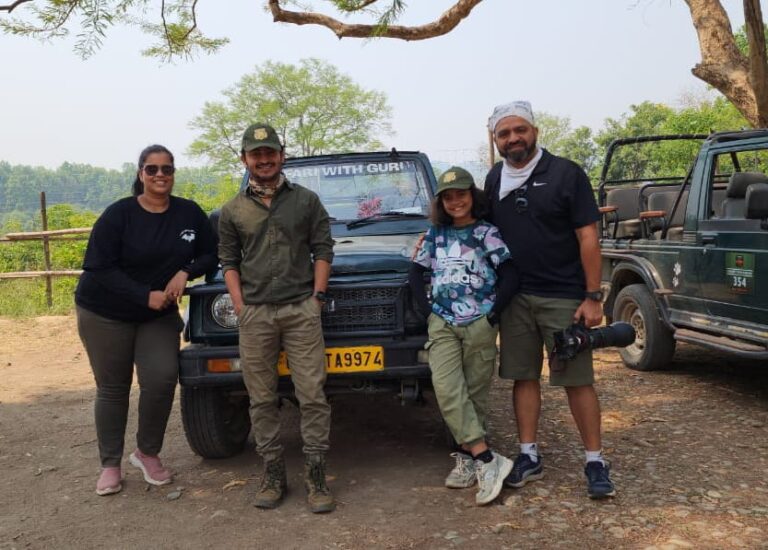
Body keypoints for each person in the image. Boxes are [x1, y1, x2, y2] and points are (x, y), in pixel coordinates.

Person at [484, 101, 616, 499]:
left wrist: (593, 297)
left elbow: (588, 236)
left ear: (534, 131)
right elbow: (475, 226)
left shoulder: (565, 173)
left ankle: (595, 460)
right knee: (523, 377)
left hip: (563, 295)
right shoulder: (494, 178)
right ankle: (528, 455)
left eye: (519, 130)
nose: (513, 139)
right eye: (504, 134)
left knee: (577, 381)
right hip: (515, 297)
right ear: (496, 140)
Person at [75, 144, 218, 496]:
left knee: (162, 378)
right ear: (140, 174)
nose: (160, 176)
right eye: (152, 169)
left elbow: (211, 253)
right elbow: (98, 266)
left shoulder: (189, 214)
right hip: (105, 312)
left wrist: (186, 271)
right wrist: (143, 294)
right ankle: (110, 464)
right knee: (113, 387)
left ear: (173, 174)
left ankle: (147, 452)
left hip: (157, 315)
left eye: (166, 169)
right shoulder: (119, 215)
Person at [218, 123, 336, 513]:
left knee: (312, 394)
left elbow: (323, 248)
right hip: (255, 314)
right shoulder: (233, 210)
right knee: (261, 397)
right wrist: (240, 305)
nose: (264, 159)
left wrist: (316, 298)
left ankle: (316, 474)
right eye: (256, 154)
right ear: (245, 159)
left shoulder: (306, 201)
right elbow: (229, 261)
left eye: (270, 152)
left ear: (281, 155)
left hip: (301, 309)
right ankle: (273, 473)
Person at [409, 167, 518, 505]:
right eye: (448, 196)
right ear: (441, 202)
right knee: (446, 387)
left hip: (478, 321)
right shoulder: (434, 234)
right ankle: (488, 458)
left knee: (475, 393)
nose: (456, 201)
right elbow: (415, 272)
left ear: (472, 196)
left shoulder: (486, 233)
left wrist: (493, 315)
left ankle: (467, 460)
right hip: (442, 322)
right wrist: (427, 311)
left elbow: (511, 274)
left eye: (461, 194)